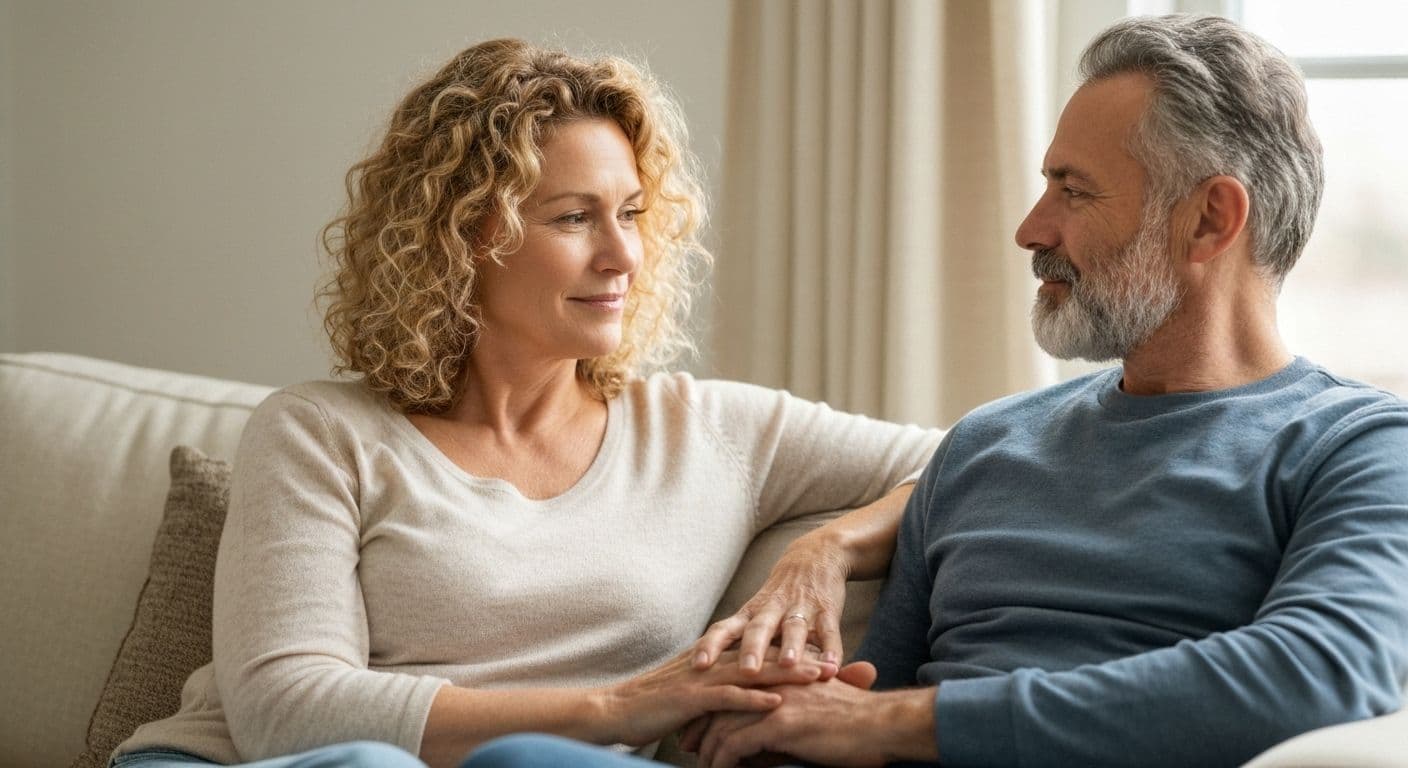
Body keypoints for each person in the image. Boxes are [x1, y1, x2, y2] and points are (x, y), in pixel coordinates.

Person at [464, 13, 1408, 768]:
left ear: (1210, 219)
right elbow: (870, 695)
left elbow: (1323, 673)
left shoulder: (1358, 445)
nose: (1030, 228)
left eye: (1074, 192)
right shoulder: (988, 443)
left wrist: (889, 728)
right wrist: (773, 722)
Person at [108, 38, 942, 768]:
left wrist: (824, 552)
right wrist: (626, 707)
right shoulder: (321, 432)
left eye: (632, 214)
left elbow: (968, 456)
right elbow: (284, 712)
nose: (623, 255)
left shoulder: (713, 433)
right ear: (464, 237)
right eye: (575, 218)